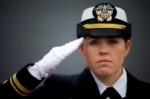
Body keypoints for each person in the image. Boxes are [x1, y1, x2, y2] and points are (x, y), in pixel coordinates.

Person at [1, 2, 150, 99]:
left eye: (112, 41)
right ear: (81, 49)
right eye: (94, 42)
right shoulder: (57, 92)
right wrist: (36, 72)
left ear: (127, 48)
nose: (104, 50)